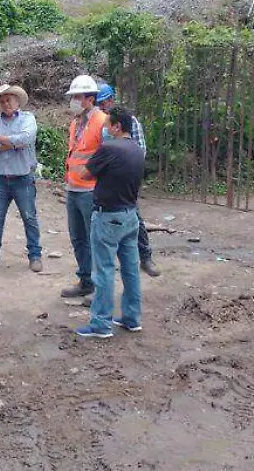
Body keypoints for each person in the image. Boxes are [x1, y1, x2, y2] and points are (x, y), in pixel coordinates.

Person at [75, 107, 146, 339]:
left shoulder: (108, 148)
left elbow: (86, 174)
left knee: (104, 270)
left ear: (117, 126)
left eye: (108, 125)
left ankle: (101, 324)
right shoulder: (137, 150)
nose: (104, 129)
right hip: (130, 215)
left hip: (108, 216)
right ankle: (132, 317)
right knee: (130, 268)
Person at [95, 85, 161, 278]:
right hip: (106, 181)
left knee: (135, 218)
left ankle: (145, 256)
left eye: (105, 101)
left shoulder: (129, 121)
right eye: (100, 103)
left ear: (112, 99)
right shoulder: (102, 125)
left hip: (124, 180)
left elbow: (140, 150)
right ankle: (105, 264)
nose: (103, 106)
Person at [0, 84, 43, 272]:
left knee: (29, 217)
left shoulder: (28, 118)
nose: (5, 103)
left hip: (23, 177)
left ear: (18, 101)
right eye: (2, 100)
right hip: (0, 178)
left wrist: (0, 138)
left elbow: (26, 139)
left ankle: (35, 255)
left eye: (8, 99)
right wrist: (12, 142)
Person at [61, 74, 108, 299]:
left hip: (92, 190)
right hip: (74, 189)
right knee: (78, 238)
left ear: (89, 98)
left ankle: (99, 288)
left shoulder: (102, 122)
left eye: (76, 97)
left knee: (95, 240)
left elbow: (109, 156)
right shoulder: (76, 123)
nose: (73, 101)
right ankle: (86, 281)